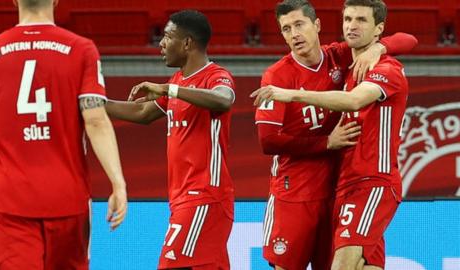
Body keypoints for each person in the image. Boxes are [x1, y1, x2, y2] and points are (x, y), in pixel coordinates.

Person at [255, 1, 417, 270]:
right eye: (286, 29)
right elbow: (268, 141)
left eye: (299, 25)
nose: (294, 34)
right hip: (296, 189)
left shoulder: (342, 57)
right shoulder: (276, 76)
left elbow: (409, 39)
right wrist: (327, 142)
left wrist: (380, 46)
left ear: (316, 25)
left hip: (350, 184)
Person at [0, 0, 128, 269]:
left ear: (14, 1)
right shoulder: (81, 49)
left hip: (10, 198)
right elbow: (96, 120)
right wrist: (118, 183)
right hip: (68, 198)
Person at [106, 10, 235, 270]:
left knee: (170, 264)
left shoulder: (215, 76)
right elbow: (143, 112)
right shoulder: (178, 80)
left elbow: (225, 99)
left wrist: (167, 89)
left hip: (204, 196)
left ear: (187, 43)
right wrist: (92, 104)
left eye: (167, 37)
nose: (161, 44)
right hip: (181, 199)